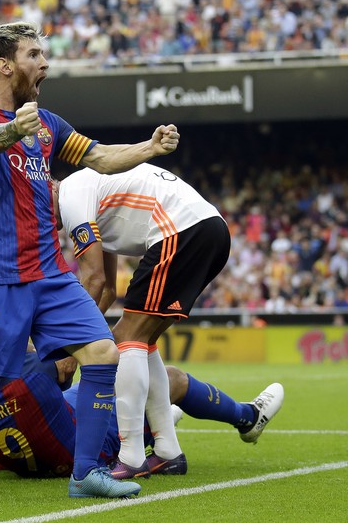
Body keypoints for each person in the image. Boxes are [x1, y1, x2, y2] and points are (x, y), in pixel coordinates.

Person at [0, 21, 180, 498]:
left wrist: (149, 147)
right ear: (5, 64)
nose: (45, 62)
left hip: (51, 273)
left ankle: (85, 475)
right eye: (34, 54)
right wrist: (13, 127)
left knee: (104, 355)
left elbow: (98, 157)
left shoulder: (49, 124)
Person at [56, 163, 231, 478]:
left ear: (49, 188)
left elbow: (93, 280)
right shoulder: (88, 193)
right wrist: (83, 342)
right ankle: (168, 452)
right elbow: (108, 288)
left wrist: (68, 346)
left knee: (126, 338)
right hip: (208, 228)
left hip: (180, 230)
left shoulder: (70, 195)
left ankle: (132, 456)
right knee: (142, 340)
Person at [0, 353, 284, 477]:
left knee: (86, 387)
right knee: (168, 378)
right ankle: (247, 417)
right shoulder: (32, 370)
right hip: (83, 440)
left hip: (34, 434)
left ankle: (160, 423)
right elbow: (66, 367)